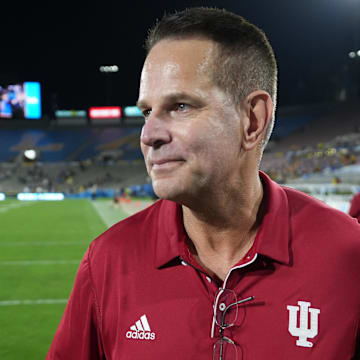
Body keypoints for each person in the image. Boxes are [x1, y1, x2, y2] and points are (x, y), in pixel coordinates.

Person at [47, 7, 360, 359]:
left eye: (180, 106)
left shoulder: (348, 257)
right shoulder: (106, 260)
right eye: (147, 112)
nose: (149, 134)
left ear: (252, 120)